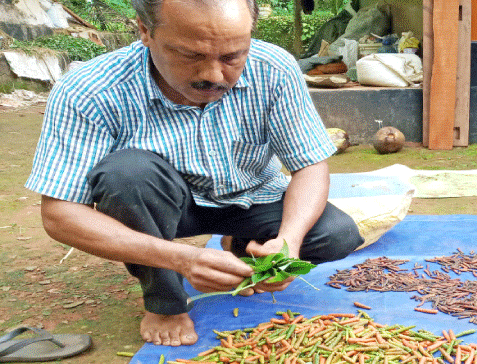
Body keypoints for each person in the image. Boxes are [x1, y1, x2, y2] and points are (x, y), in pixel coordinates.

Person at [25, 0, 364, 346]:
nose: (213, 76)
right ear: (144, 30)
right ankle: (164, 303)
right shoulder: (90, 88)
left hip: (252, 197)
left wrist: (289, 242)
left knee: (336, 234)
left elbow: (309, 164)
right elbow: (60, 214)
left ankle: (245, 250)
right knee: (127, 175)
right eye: (190, 55)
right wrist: (180, 259)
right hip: (161, 207)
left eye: (232, 56)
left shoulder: (273, 68)